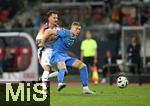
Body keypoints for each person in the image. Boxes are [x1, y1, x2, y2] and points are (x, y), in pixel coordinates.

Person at [43, 22, 96, 94]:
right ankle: (60, 84)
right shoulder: (65, 32)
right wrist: (42, 42)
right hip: (56, 55)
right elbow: (48, 31)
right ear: (71, 28)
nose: (78, 30)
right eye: (76, 28)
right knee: (62, 66)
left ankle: (85, 88)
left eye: (79, 29)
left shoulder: (74, 36)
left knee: (83, 66)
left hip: (64, 56)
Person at [35, 10, 60, 93]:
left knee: (62, 71)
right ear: (49, 18)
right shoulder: (44, 29)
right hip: (44, 51)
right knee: (47, 69)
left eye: (56, 17)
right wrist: (48, 38)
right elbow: (38, 41)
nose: (56, 19)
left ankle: (43, 79)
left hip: (54, 52)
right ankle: (44, 89)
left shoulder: (58, 28)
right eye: (54, 17)